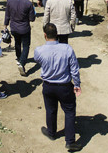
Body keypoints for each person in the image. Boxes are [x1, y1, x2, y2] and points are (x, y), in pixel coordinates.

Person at [34, 23, 82, 152]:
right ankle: (70, 142)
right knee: (70, 111)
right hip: (64, 86)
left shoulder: (39, 51)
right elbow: (74, 69)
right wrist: (77, 84)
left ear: (45, 35)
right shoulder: (67, 49)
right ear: (57, 35)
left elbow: (37, 60)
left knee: (50, 109)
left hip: (48, 86)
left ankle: (51, 132)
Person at [4, 0, 35, 76]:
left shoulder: (10, 1)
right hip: (24, 28)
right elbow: (32, 19)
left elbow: (7, 15)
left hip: (14, 27)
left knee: (17, 43)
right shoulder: (28, 3)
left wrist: (5, 26)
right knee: (26, 46)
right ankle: (22, 62)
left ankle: (19, 58)